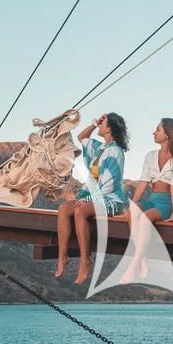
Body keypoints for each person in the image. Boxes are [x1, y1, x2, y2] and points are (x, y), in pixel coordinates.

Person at [55, 111, 129, 284]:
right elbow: (82, 136)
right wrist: (95, 123)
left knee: (80, 211)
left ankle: (85, 260)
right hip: (94, 197)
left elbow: (108, 186)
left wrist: (87, 200)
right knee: (64, 209)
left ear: (110, 128)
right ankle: (62, 256)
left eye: (103, 123)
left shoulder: (116, 152)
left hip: (113, 201)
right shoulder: (100, 149)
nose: (100, 125)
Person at [122, 118, 173, 284]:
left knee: (144, 219)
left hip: (167, 202)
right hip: (152, 198)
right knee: (134, 211)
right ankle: (142, 258)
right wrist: (133, 204)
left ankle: (134, 265)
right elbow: (143, 183)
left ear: (167, 134)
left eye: (157, 130)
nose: (154, 132)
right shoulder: (150, 156)